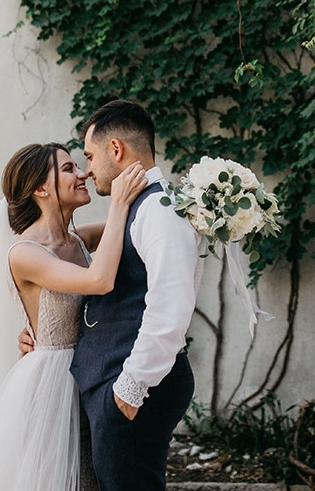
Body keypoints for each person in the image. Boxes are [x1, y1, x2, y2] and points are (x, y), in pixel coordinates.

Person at [0, 143, 147, 491]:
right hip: (52, 386)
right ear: (40, 188)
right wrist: (118, 202)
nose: (82, 172)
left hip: (92, 372)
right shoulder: (25, 253)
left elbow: (136, 223)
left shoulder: (79, 240)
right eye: (69, 169)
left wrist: (198, 201)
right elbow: (98, 281)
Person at [65, 99, 204, 491]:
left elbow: (170, 308)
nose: (88, 169)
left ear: (116, 149)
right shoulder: (136, 207)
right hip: (114, 379)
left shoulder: (159, 210)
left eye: (90, 156)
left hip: (131, 387)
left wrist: (129, 390)